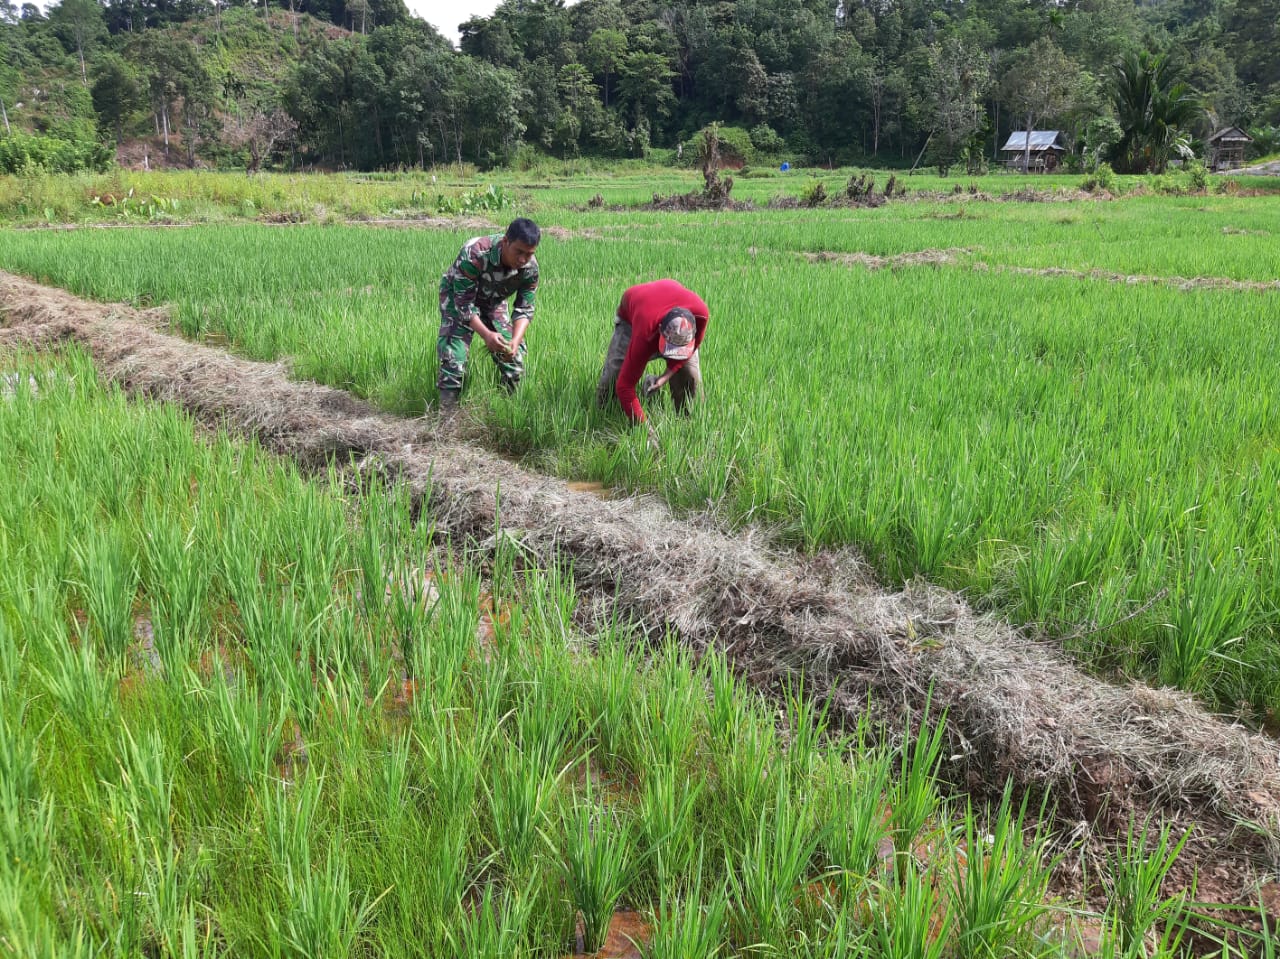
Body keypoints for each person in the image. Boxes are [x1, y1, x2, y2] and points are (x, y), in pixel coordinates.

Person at [437, 217, 540, 410]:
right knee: (454, 359)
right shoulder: (474, 253)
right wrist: (487, 336)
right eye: (519, 252)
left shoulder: (530, 268)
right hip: (457, 299)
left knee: (514, 360)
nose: (522, 259)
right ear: (505, 242)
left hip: (493, 302)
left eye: (529, 254)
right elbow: (464, 306)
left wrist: (515, 342)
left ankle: (505, 411)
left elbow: (525, 309)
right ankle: (446, 419)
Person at [595, 279, 709, 424]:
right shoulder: (645, 333)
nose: (672, 354)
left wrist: (664, 377)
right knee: (614, 376)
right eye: (670, 348)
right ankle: (604, 418)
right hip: (630, 321)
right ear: (660, 330)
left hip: (666, 305)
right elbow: (625, 386)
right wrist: (645, 430)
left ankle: (687, 422)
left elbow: (691, 348)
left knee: (690, 376)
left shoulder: (701, 315)